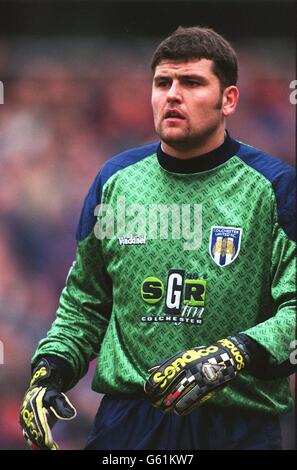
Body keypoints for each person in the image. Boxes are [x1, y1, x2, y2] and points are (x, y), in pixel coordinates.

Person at [19, 26, 296, 451]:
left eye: (192, 82)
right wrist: (48, 373)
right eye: (162, 82)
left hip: (236, 426)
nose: (172, 94)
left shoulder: (274, 187)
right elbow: (85, 302)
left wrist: (231, 355)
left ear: (229, 100)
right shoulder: (116, 181)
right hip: (127, 425)